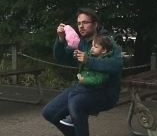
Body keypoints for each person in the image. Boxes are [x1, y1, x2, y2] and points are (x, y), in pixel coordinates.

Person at [42, 8, 123, 136]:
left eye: (85, 22)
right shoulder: (80, 42)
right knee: (49, 112)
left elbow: (117, 65)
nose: (81, 26)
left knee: (76, 103)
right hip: (83, 87)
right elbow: (61, 58)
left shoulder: (106, 41)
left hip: (106, 91)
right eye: (79, 23)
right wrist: (61, 40)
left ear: (95, 24)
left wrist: (88, 60)